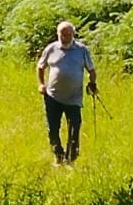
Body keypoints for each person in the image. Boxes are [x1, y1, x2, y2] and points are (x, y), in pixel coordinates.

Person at [36, 19, 96, 164]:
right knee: (53, 128)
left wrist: (92, 84)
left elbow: (91, 70)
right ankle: (58, 155)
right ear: (58, 34)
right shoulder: (51, 49)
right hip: (52, 96)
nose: (65, 38)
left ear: (73, 34)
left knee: (75, 128)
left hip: (74, 98)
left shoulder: (82, 50)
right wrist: (41, 84)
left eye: (68, 35)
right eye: (62, 35)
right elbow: (40, 67)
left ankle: (71, 159)